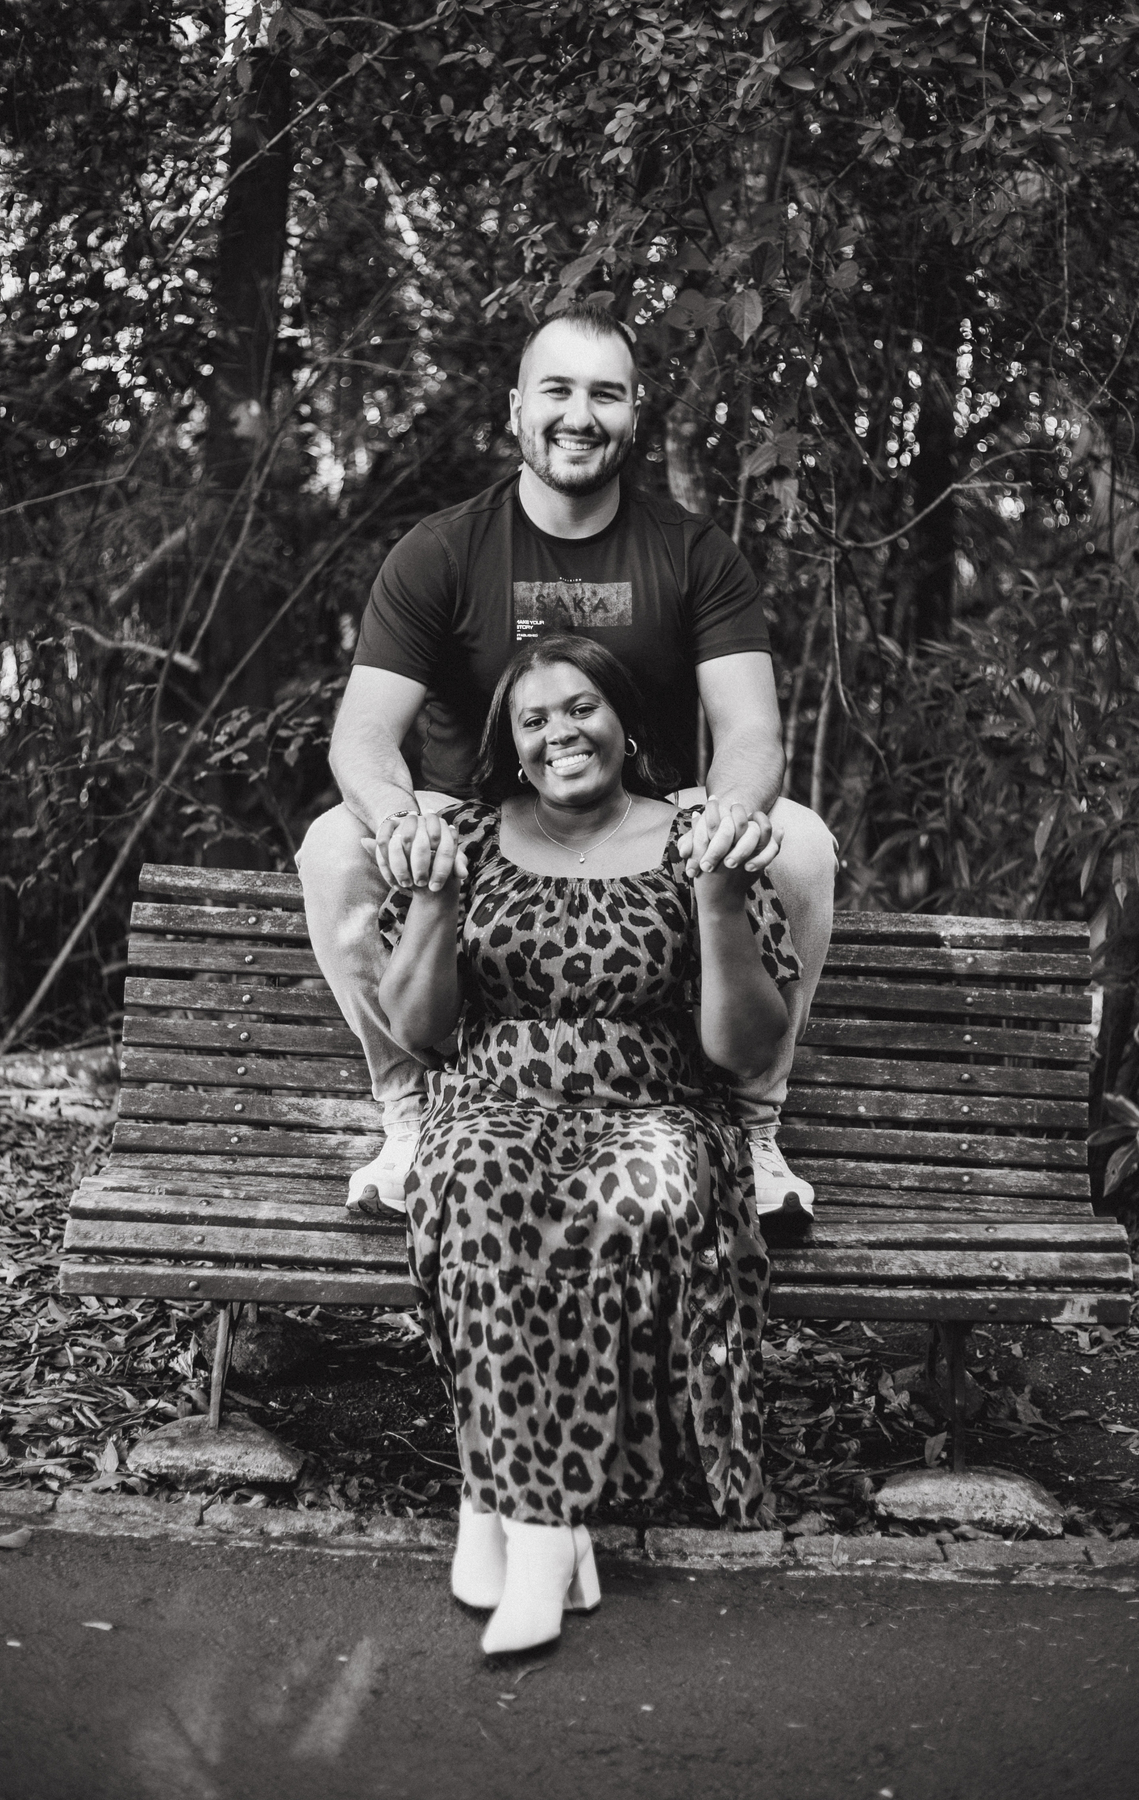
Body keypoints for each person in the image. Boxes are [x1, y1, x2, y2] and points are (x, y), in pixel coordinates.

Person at [297, 300, 836, 1223]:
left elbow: (750, 733)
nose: (579, 416)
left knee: (800, 842)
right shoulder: (442, 551)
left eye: (604, 394)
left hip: (651, 826)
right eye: (556, 391)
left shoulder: (693, 553)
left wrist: (728, 815)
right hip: (474, 831)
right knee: (333, 849)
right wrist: (403, 825)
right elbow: (363, 736)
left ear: (635, 410)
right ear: (517, 407)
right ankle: (410, 1114)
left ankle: (752, 1127)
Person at [377, 635, 798, 1655]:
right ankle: (547, 1532)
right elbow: (417, 1031)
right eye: (534, 719)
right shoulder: (462, 839)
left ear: (625, 724)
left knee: (631, 1197)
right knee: (475, 1183)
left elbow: (745, 1051)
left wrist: (716, 901)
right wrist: (436, 901)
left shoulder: (701, 839)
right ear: (511, 745)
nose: (560, 732)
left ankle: (502, 1510)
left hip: (657, 1108)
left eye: (581, 708)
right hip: (493, 1103)